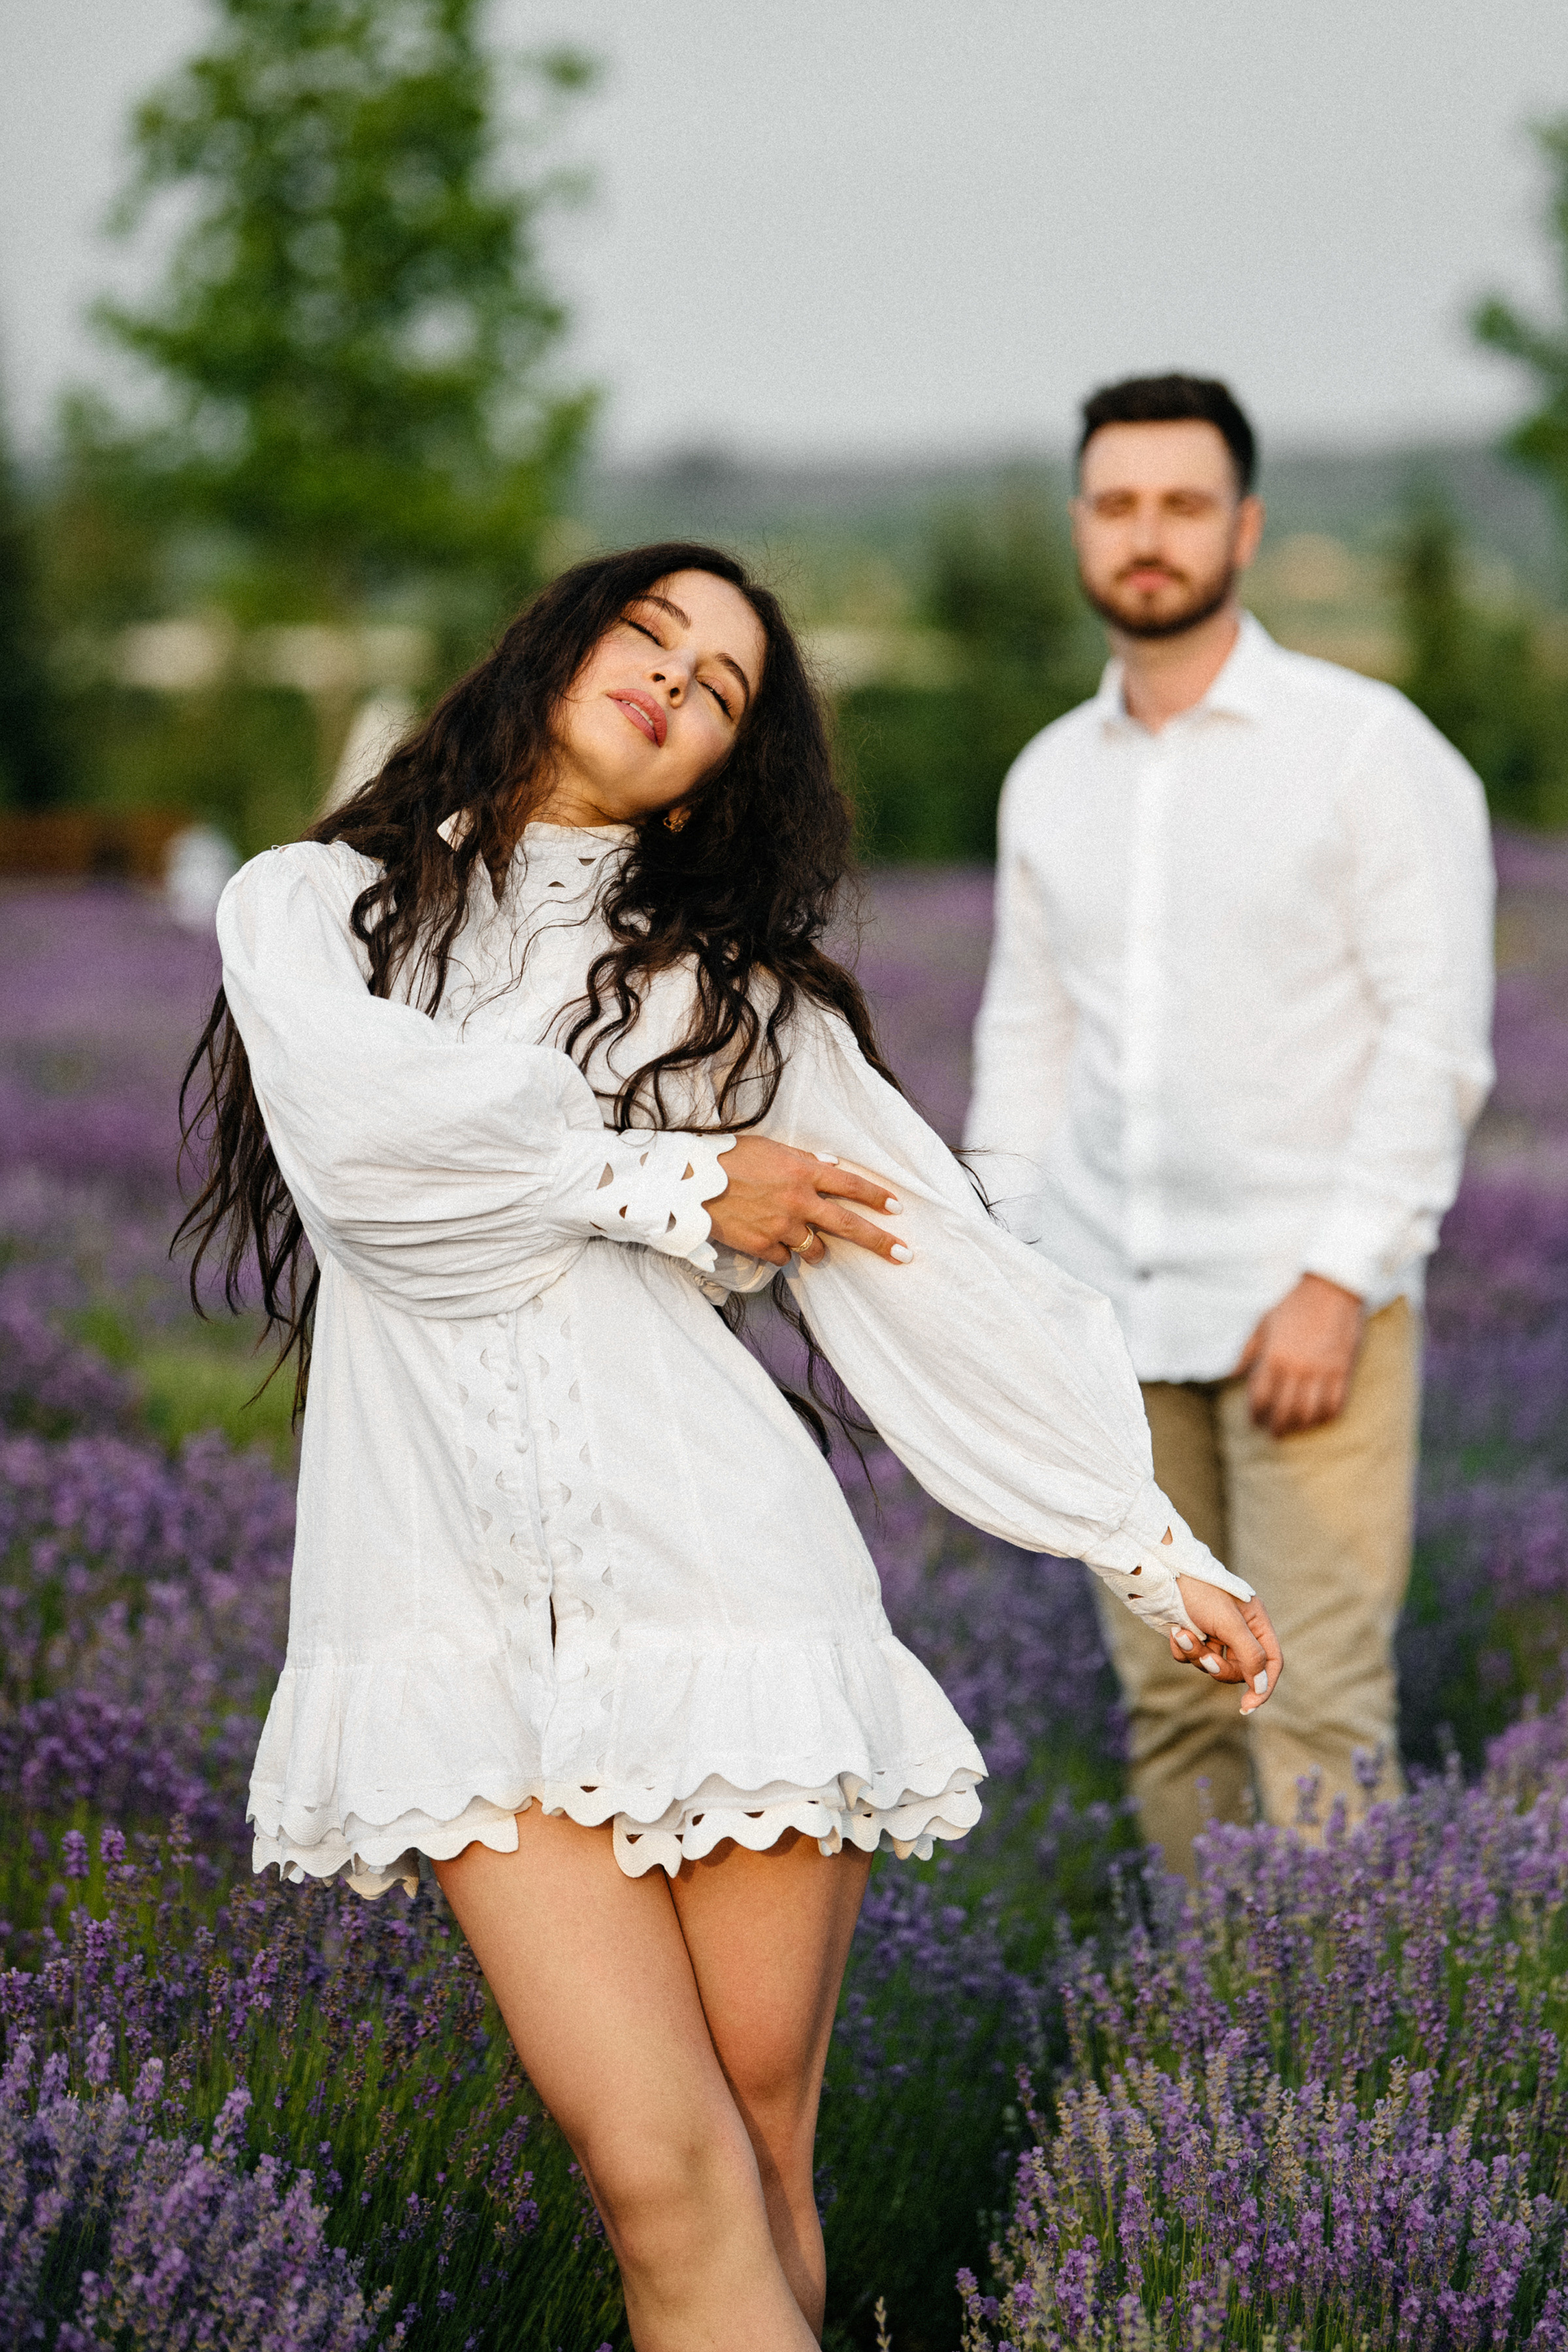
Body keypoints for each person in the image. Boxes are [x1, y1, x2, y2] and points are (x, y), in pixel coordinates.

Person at [180, 542, 1279, 2351]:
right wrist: (684, 1177)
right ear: (555, 641)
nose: (677, 683)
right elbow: (382, 1174)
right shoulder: (316, 912)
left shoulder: (735, 1001)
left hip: (726, 1594)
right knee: (653, 2168)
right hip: (449, 1627)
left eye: (724, 688)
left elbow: (934, 1265)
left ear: (722, 776)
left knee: (758, 2157)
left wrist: (1141, 1538)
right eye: (650, 634)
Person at [965, 376, 1494, 1880]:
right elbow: (1027, 1037)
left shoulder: (1365, 747)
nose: (1149, 536)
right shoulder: (1050, 779)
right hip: (1111, 1321)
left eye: (1183, 504)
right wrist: (1008, 1277)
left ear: (1245, 527)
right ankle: (1218, 2046)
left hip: (1300, 1308)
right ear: (1084, 524)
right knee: (1173, 1714)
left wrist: (1340, 1276)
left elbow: (1433, 1037)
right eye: (1119, 504)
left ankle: (1331, 2055)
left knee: (1317, 1708)